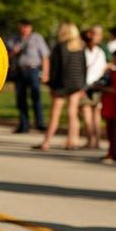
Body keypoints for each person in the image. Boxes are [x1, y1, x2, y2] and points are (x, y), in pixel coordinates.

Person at [37, 22, 86, 150]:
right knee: (72, 113)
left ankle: (46, 142)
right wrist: (83, 86)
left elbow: (56, 68)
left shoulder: (60, 47)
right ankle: (72, 141)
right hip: (76, 83)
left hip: (61, 84)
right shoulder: (80, 47)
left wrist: (51, 85)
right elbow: (83, 67)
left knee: (55, 114)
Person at [6, 20, 50, 132]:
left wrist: (45, 73)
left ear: (31, 28)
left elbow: (45, 56)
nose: (25, 29)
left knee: (36, 97)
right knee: (21, 99)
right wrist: (14, 52)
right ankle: (24, 124)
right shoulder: (14, 39)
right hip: (19, 71)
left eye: (27, 27)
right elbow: (6, 56)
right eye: (23, 27)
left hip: (33, 70)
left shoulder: (37, 38)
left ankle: (40, 123)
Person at [80, 26, 107, 148]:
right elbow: (102, 70)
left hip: (86, 87)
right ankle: (96, 141)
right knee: (96, 114)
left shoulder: (82, 51)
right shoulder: (100, 52)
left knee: (87, 114)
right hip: (97, 86)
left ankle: (90, 140)